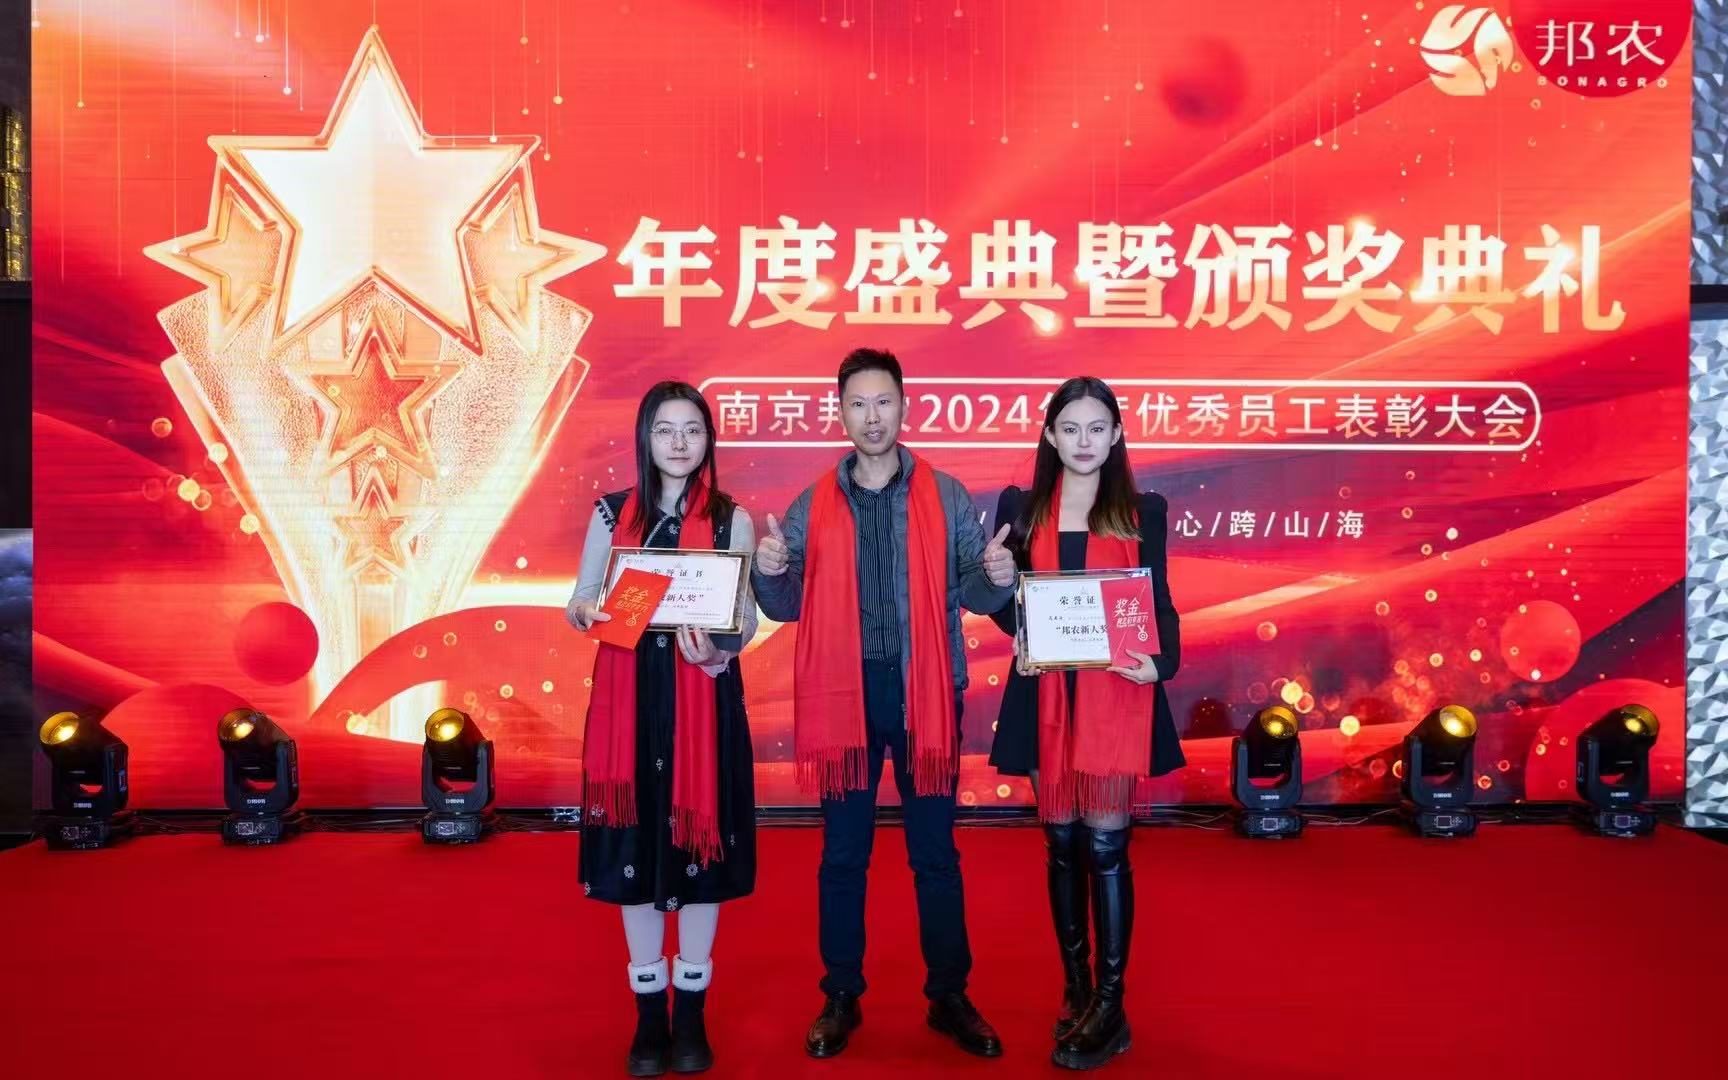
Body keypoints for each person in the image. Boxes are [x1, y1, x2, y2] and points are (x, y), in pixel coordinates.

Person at [752, 348, 1017, 1060]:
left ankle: (949, 995)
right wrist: (769, 571)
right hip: (845, 697)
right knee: (843, 853)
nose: (872, 417)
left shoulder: (946, 495)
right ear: (840, 413)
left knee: (935, 852)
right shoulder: (813, 504)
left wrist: (997, 574)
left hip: (926, 693)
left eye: (884, 402)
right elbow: (783, 604)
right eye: (858, 404)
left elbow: (977, 593)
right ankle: (841, 994)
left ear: (905, 406)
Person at [985, 376, 1184, 1070]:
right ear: (1049, 435)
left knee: (1105, 847)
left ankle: (1111, 1002)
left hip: (1114, 693)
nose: (1084, 441)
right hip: (1044, 694)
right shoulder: (1021, 508)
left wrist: (1160, 663)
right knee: (1062, 844)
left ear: (1117, 434)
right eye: (1070, 429)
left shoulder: (1141, 510)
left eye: (1097, 428)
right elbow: (1008, 610)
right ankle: (1076, 987)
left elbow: (1159, 600)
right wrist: (997, 584)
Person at [567, 381, 759, 1077]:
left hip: (704, 705)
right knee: (638, 854)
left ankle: (692, 1016)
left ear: (709, 439)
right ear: (645, 438)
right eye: (665, 430)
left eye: (692, 430)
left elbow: (745, 619)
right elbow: (581, 598)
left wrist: (718, 648)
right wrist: (586, 613)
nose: (679, 443)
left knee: (699, 855)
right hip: (632, 711)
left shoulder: (733, 519)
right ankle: (649, 1020)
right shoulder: (612, 512)